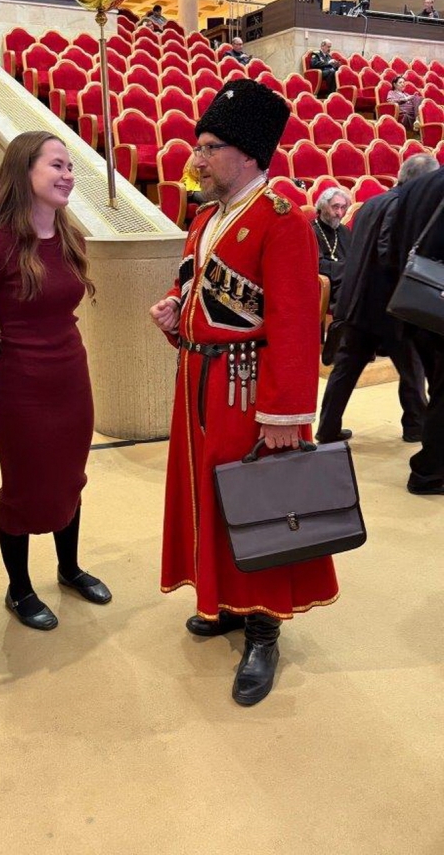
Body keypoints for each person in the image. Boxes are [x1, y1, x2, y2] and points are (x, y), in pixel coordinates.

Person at [149, 79, 339, 707]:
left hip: (251, 389)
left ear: (250, 153)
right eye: (198, 146)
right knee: (211, 494)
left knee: (259, 501)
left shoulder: (283, 220)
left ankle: (264, 627)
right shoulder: (205, 218)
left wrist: (283, 414)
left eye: (210, 148)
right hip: (198, 382)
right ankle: (226, 600)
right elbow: (195, 285)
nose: (196, 159)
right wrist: (174, 309)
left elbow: (295, 324)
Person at [0, 131, 111, 631]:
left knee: (70, 477)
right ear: (24, 171)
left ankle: (69, 569)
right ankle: (20, 588)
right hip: (22, 390)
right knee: (24, 489)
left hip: (71, 378)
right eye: (56, 165)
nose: (68, 175)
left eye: (70, 167)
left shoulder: (70, 236)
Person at [316, 155, 439, 446]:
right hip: (387, 304)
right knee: (411, 368)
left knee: (346, 369)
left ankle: (328, 428)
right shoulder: (403, 205)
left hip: (357, 301)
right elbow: (388, 254)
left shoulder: (371, 203)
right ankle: (415, 426)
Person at [389, 165, 444, 494]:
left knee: (438, 387)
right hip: (438, 303)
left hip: (414, 301)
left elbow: (393, 246)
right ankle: (427, 472)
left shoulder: (414, 186)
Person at [312, 188, 352, 307]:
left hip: (348, 280)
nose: (339, 213)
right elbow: (318, 264)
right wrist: (348, 269)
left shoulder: (344, 230)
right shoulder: (311, 231)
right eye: (335, 207)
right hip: (330, 285)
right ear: (323, 206)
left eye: (343, 208)